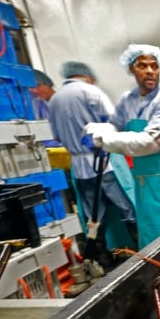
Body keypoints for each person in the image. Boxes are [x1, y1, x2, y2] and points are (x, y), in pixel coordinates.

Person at [84, 44, 160, 249]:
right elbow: (115, 125)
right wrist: (97, 129)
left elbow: (150, 143)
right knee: (153, 241)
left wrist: (104, 141)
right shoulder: (128, 100)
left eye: (154, 66)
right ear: (131, 69)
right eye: (143, 66)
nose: (150, 70)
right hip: (144, 185)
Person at [48, 61, 136, 248]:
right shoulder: (90, 91)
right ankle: (139, 247)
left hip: (79, 166)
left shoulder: (54, 99)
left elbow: (56, 136)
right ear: (89, 77)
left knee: (94, 215)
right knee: (127, 206)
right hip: (104, 161)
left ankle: (100, 257)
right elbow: (115, 122)